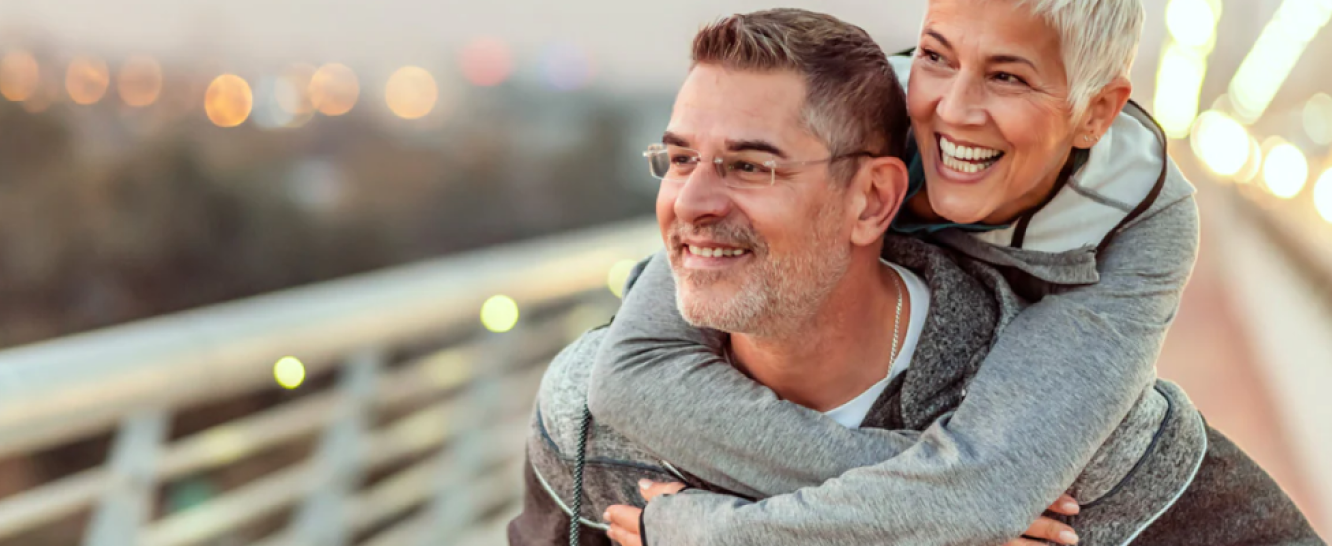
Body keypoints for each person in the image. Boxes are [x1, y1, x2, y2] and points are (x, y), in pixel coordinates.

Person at [511, 6, 1322, 546]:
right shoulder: (879, 113)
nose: (952, 111)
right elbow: (635, 371)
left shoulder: (1143, 226)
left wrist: (699, 531)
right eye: (936, 58)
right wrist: (936, 514)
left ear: (1097, 113)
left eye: (1007, 76)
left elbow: (987, 486)